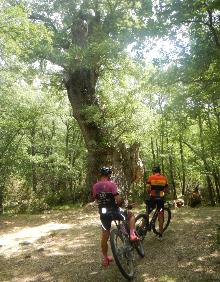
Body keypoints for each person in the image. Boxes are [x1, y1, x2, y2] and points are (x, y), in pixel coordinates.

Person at [92, 167, 139, 267]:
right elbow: (117, 199)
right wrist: (122, 203)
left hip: (103, 214)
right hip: (114, 211)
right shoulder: (111, 184)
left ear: (100, 175)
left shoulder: (95, 186)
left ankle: (105, 258)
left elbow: (97, 200)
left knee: (105, 235)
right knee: (131, 215)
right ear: (109, 175)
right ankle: (132, 234)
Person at [146, 165, 168, 240]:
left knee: (148, 212)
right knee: (160, 214)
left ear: (153, 171)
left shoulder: (150, 177)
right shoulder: (164, 178)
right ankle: (160, 236)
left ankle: (142, 227)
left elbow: (148, 189)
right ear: (160, 171)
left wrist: (150, 192)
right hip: (160, 200)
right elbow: (166, 190)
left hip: (152, 198)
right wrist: (161, 193)